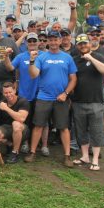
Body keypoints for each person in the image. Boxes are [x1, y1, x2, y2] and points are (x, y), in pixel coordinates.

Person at [25, 30, 78, 167]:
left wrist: (65, 93)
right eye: (51, 40)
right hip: (43, 97)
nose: (53, 42)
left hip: (61, 98)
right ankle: (32, 152)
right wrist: (31, 61)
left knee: (63, 127)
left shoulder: (67, 58)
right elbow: (33, 74)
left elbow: (73, 79)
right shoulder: (41, 57)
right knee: (38, 125)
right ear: (48, 42)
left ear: (60, 41)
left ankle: (67, 156)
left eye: (56, 40)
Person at [70, 34, 104, 171]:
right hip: (78, 101)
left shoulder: (98, 56)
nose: (83, 46)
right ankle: (84, 156)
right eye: (80, 44)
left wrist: (91, 59)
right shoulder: (74, 60)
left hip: (96, 101)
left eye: (85, 43)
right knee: (81, 130)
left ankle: (95, 160)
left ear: (89, 44)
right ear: (77, 46)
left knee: (96, 130)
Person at [4, 32, 43, 155]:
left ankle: (38, 144)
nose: (32, 43)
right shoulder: (21, 56)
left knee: (38, 121)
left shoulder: (44, 56)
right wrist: (6, 56)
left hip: (41, 93)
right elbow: (10, 68)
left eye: (34, 41)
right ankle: (25, 142)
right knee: (23, 120)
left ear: (38, 42)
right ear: (26, 42)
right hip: (24, 93)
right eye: (29, 41)